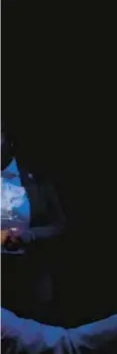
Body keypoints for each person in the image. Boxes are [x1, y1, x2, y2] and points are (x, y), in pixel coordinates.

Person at [1, 124, 66, 320]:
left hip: (30, 274)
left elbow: (59, 226)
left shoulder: (36, 179)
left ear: (10, 142)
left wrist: (26, 236)